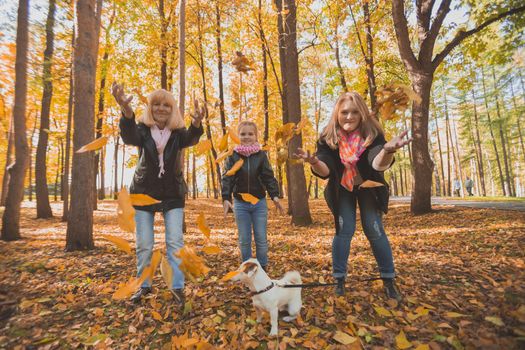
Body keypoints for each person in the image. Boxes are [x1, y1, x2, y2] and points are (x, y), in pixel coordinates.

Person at [295, 91, 411, 301]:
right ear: (337, 114)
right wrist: (313, 162)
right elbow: (326, 169)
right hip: (342, 190)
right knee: (344, 229)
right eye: (345, 112)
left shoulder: (373, 133)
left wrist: (388, 150)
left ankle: (388, 279)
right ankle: (339, 280)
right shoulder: (328, 137)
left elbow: (377, 163)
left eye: (354, 112)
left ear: (362, 114)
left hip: (370, 188)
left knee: (374, 229)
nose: (349, 117)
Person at [112, 82, 205, 306]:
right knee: (144, 243)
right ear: (150, 108)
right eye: (156, 105)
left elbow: (192, 138)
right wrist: (126, 111)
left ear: (172, 109)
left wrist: (197, 122)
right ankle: (143, 286)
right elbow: (128, 136)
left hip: (172, 193)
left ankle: (177, 287)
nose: (161, 109)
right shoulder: (143, 130)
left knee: (175, 241)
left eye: (166, 105)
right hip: (144, 192)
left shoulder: (178, 133)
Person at [221, 121, 284, 272]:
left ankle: (262, 268)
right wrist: (226, 198)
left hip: (259, 203)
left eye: (250, 134)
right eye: (243, 134)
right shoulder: (233, 155)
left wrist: (274, 196)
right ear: (238, 136)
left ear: (256, 136)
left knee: (261, 239)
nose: (246, 137)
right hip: (240, 204)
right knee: (244, 240)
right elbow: (227, 177)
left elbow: (268, 177)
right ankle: (248, 269)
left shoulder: (261, 155)